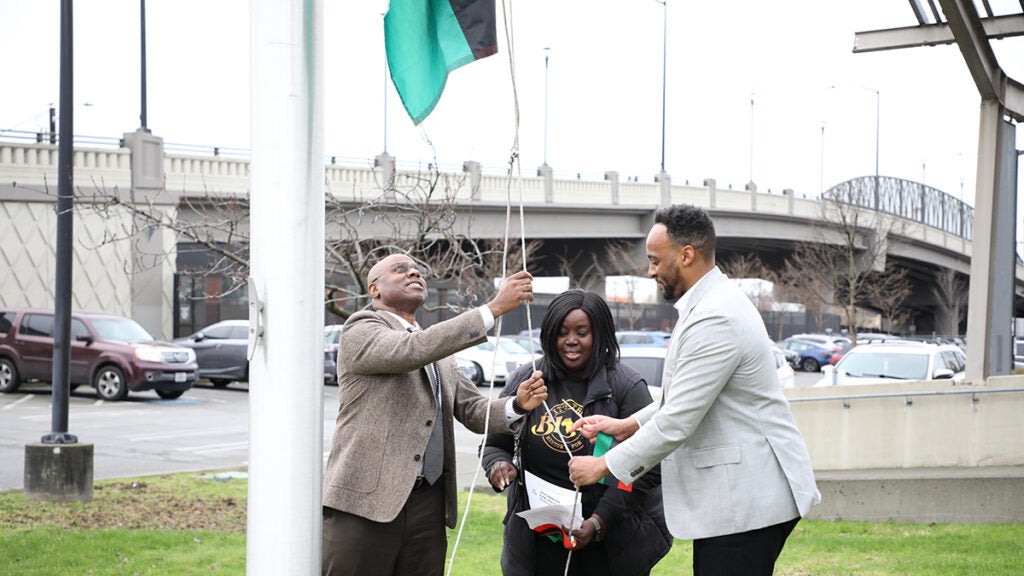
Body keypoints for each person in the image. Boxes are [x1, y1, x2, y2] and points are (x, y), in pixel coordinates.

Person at [568, 204, 821, 576]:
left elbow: (677, 422)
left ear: (687, 255)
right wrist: (624, 426)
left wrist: (603, 465)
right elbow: (683, 397)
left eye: (655, 260)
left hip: (746, 504)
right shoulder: (710, 303)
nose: (650, 270)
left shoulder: (715, 316)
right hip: (737, 503)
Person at [322, 254, 549, 576]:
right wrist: (493, 309)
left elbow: (475, 410)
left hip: (428, 503)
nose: (414, 272)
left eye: (417, 270)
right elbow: (409, 351)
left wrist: (518, 404)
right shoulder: (361, 327)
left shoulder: (437, 354)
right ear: (374, 289)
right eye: (399, 269)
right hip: (365, 503)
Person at [481, 289, 672, 576]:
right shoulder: (527, 380)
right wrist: (498, 466)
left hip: (611, 543)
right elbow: (495, 442)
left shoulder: (627, 387)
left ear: (600, 335)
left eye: (582, 332)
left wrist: (599, 521)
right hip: (534, 542)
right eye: (562, 332)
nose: (571, 340)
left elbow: (646, 468)